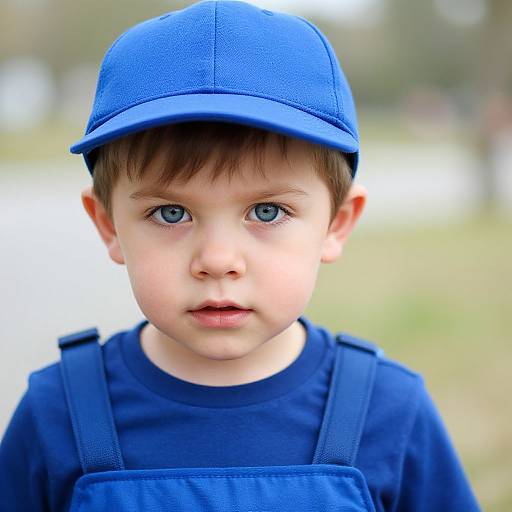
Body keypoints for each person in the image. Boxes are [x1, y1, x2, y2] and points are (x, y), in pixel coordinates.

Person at [0, 1, 480, 511]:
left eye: (268, 212)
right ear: (108, 225)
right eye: (170, 214)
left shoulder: (389, 412)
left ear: (336, 224)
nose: (218, 259)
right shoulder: (58, 415)